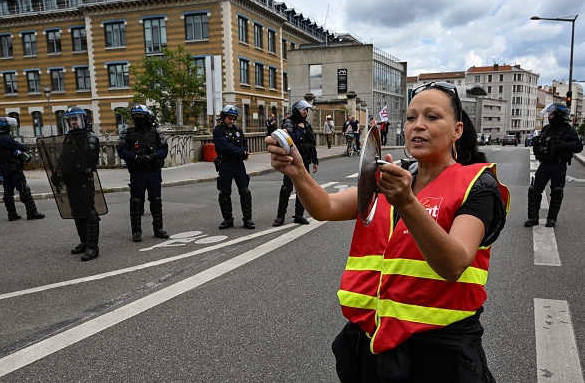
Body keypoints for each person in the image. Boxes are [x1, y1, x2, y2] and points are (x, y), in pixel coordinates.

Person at [266, 81, 510, 382]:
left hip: (438, 353)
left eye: (432, 117)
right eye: (411, 118)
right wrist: (298, 172)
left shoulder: (478, 186)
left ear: (457, 130)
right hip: (372, 343)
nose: (418, 126)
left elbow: (454, 264)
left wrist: (407, 202)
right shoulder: (393, 177)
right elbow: (326, 207)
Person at [52, 106, 102, 261]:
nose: (73, 122)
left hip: (84, 181)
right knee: (77, 213)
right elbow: (63, 157)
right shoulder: (69, 137)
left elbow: (88, 158)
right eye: (70, 120)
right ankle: (84, 241)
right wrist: (58, 173)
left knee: (89, 213)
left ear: (83, 120)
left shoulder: (90, 136)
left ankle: (93, 247)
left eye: (75, 119)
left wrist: (74, 166)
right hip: (71, 180)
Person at [524, 102, 583, 228]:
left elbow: (578, 146)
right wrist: (537, 143)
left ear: (559, 115)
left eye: (552, 114)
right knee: (534, 190)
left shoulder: (569, 130)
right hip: (544, 164)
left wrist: (565, 145)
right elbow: (541, 142)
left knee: (557, 191)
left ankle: (551, 219)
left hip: (559, 165)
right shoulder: (546, 129)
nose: (549, 116)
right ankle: (532, 218)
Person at [117, 103, 170, 242]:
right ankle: (136, 231)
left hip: (153, 170)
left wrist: (152, 156)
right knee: (136, 201)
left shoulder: (156, 132)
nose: (139, 118)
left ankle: (158, 228)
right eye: (136, 116)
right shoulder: (127, 132)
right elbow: (121, 150)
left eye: (141, 116)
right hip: (137, 171)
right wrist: (135, 157)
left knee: (156, 200)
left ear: (147, 117)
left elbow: (164, 150)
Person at [272, 100, 319, 226]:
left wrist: (315, 160)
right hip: (291, 162)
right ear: (297, 110)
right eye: (303, 110)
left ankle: (299, 215)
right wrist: (298, 128)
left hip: (304, 161)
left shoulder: (306, 125)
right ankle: (280, 217)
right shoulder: (289, 123)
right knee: (286, 188)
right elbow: (290, 140)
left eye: (306, 110)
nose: (305, 112)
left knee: (303, 189)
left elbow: (311, 143)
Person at [0, 117, 45, 221]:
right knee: (23, 188)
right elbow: (22, 147)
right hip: (13, 167)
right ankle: (32, 212)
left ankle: (12, 213)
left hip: (2, 167)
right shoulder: (5, 138)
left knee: (8, 190)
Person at [212, 104, 255, 229]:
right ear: (223, 117)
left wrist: (245, 151)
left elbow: (244, 143)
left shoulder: (237, 130)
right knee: (224, 193)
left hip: (238, 165)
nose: (231, 121)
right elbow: (225, 146)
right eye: (229, 118)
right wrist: (242, 153)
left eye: (233, 119)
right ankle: (228, 219)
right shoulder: (218, 131)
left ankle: (247, 219)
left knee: (245, 192)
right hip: (225, 165)